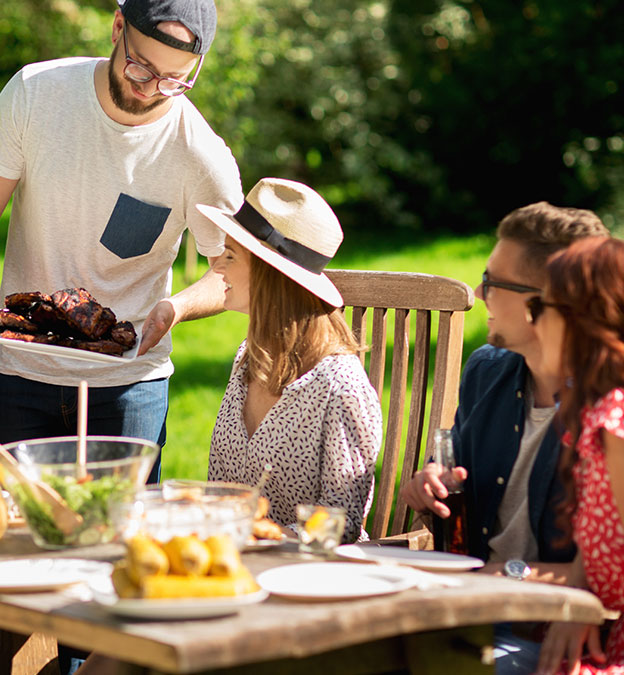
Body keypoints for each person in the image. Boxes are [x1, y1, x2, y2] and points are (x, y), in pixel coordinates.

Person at [0, 0, 244, 479]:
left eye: (173, 80)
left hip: (129, 386)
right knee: (13, 523)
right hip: (24, 368)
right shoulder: (35, 92)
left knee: (121, 527)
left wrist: (177, 307)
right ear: (117, 27)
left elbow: (232, 271)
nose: (151, 89)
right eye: (141, 67)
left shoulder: (200, 154)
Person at [399, 203, 608, 673]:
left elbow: (607, 571)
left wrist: (510, 576)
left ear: (543, 302)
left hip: (555, 633)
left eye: (491, 283)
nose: (477, 294)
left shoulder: (608, 411)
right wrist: (429, 485)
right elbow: (454, 474)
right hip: (468, 610)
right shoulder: (486, 372)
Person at [200, 178, 381, 544]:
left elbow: (340, 525)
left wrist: (264, 537)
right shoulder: (248, 359)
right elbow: (218, 491)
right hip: (233, 560)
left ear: (270, 275)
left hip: (311, 571)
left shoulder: (339, 387)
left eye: (230, 256)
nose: (217, 267)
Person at [528, 236, 624, 674]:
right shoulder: (596, 412)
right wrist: (580, 594)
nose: (533, 323)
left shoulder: (617, 421)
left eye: (539, 308)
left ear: (579, 320)